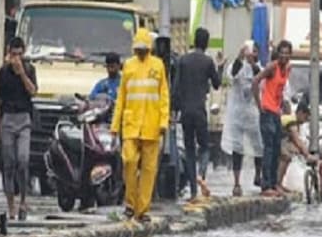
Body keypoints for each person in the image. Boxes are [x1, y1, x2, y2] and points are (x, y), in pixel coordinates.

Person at [112, 27, 170, 222]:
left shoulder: (158, 66)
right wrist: (115, 125)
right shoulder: (128, 66)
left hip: (152, 126)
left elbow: (164, 97)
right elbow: (121, 97)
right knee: (128, 161)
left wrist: (163, 122)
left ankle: (142, 209)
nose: (141, 52)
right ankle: (130, 203)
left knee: (148, 170)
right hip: (131, 124)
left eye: (144, 49)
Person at [173, 27, 222, 201]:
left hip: (185, 111)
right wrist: (220, 68)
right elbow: (217, 84)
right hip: (200, 111)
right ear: (207, 43)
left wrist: (174, 110)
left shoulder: (183, 60)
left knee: (189, 149)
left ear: (194, 41)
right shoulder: (208, 62)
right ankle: (201, 174)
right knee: (205, 147)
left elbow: (176, 87)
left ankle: (193, 190)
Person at [0, 36, 37, 221]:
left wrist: (22, 73)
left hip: (23, 119)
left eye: (20, 55)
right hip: (7, 118)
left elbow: (33, 91)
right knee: (9, 164)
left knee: (23, 160)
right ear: (8, 53)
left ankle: (23, 200)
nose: (16, 59)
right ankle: (11, 205)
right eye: (14, 55)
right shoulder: (2, 72)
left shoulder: (29, 69)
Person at [220, 40, 264, 196]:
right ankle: (237, 183)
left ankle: (258, 175)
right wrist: (239, 58)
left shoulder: (261, 69)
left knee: (259, 146)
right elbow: (232, 74)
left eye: (255, 52)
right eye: (251, 52)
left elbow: (260, 78)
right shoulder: (237, 66)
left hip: (253, 115)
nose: (253, 55)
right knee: (237, 149)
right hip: (237, 115)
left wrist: (253, 64)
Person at [252, 39, 294, 196]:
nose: (284, 56)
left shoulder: (287, 69)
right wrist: (259, 104)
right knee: (269, 149)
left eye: (287, 53)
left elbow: (281, 91)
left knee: (276, 149)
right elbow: (255, 82)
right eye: (282, 53)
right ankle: (266, 185)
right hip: (267, 112)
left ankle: (275, 184)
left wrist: (283, 106)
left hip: (276, 112)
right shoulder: (272, 67)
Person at [277, 99, 319, 192]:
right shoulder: (292, 121)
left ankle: (279, 183)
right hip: (271, 139)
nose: (306, 120)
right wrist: (307, 155)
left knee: (288, 155)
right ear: (300, 113)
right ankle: (277, 184)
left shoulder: (295, 123)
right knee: (285, 156)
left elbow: (294, 143)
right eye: (305, 117)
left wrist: (301, 152)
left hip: (277, 139)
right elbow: (297, 140)